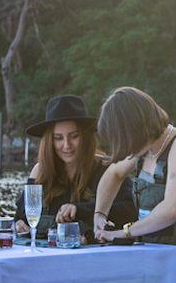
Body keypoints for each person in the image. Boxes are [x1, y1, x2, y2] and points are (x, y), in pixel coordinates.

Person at [93, 87, 176, 273]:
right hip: (153, 252)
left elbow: (174, 208)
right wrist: (99, 215)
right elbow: (113, 174)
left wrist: (123, 233)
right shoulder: (142, 150)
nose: (120, 146)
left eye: (120, 138)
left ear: (134, 128)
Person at [14, 94, 135, 241]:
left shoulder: (108, 169)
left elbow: (129, 210)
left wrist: (79, 210)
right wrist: (18, 225)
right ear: (49, 142)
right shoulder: (40, 172)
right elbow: (21, 216)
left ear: (85, 137)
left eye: (74, 136)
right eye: (58, 138)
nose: (66, 145)